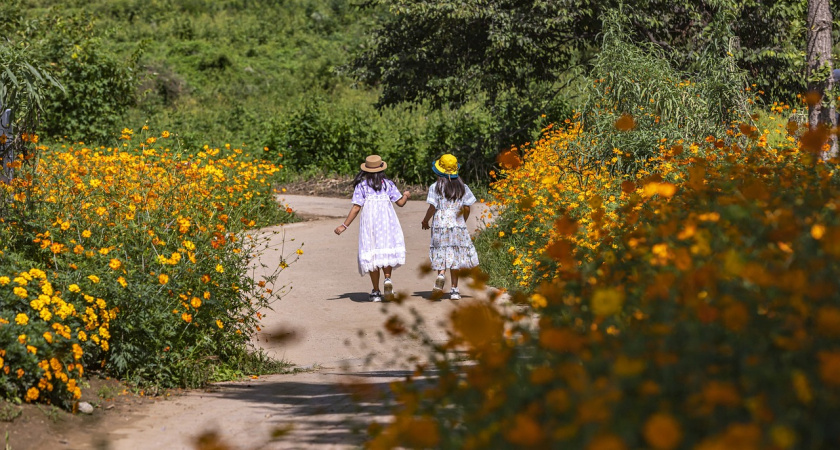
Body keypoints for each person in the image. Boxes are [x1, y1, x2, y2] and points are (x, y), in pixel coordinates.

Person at [335, 155, 410, 302]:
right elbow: (400, 202)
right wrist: (406, 195)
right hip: (387, 224)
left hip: (369, 225)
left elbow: (356, 207)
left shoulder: (362, 186)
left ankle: (376, 291)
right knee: (385, 250)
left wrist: (344, 225)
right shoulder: (388, 184)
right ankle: (387, 279)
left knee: (373, 254)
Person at [421, 154, 480, 300]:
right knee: (455, 255)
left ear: (439, 172)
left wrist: (425, 221)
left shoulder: (435, 187)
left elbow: (432, 208)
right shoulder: (463, 188)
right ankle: (454, 290)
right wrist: (462, 220)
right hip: (457, 224)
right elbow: (467, 208)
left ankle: (441, 275)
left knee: (442, 251)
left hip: (440, 225)